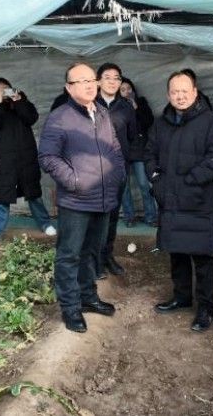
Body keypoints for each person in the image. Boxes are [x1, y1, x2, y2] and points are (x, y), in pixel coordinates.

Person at [39, 62, 125, 333]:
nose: (89, 85)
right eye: (81, 81)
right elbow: (48, 157)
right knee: (69, 255)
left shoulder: (101, 112)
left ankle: (88, 297)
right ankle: (70, 308)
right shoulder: (60, 117)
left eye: (92, 80)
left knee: (92, 252)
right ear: (69, 87)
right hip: (76, 201)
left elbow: (114, 147)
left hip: (103, 197)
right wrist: (74, 181)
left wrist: (118, 173)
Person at [147, 70, 213, 332]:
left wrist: (192, 180)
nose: (180, 96)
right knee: (177, 252)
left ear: (194, 92)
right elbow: (150, 153)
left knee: (203, 256)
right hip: (170, 200)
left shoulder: (210, 121)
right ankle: (181, 297)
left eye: (185, 91)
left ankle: (206, 307)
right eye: (175, 92)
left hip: (198, 200)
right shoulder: (161, 123)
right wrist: (156, 180)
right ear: (168, 94)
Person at [0, 77, 56, 244]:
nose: (4, 90)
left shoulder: (22, 101)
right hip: (6, 158)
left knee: (33, 192)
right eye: (0, 88)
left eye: (6, 87)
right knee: (2, 194)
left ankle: (45, 223)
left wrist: (18, 100)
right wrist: (0, 101)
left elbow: (31, 118)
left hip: (26, 156)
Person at [95, 63, 137, 277]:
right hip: (93, 172)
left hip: (118, 171)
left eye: (116, 78)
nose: (112, 81)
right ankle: (94, 260)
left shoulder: (126, 107)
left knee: (112, 216)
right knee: (95, 217)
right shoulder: (89, 104)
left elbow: (132, 136)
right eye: (107, 77)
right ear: (98, 81)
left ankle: (107, 256)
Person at [118, 77, 157, 228]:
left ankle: (151, 216)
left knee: (144, 184)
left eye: (129, 88)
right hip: (122, 150)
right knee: (124, 187)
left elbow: (149, 122)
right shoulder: (116, 106)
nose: (127, 92)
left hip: (139, 149)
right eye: (123, 90)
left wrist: (136, 108)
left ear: (133, 89)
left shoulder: (141, 102)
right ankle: (129, 217)